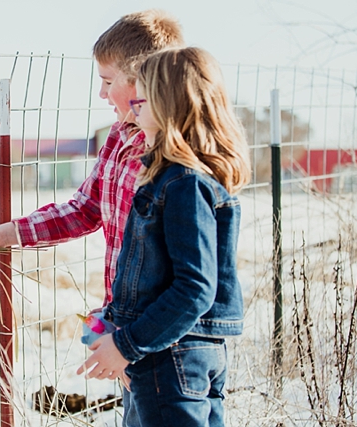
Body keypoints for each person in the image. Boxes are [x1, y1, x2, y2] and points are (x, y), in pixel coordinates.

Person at [0, 10, 183, 426]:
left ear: (142, 81)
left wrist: (135, 341)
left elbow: (187, 277)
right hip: (128, 330)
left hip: (163, 337)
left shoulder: (173, 158)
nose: (101, 94)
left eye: (107, 81)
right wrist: (6, 234)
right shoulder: (116, 139)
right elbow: (84, 209)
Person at [76, 47, 251, 427]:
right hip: (180, 350)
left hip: (172, 358)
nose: (134, 101)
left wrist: (126, 345)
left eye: (145, 93)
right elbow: (159, 276)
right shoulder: (181, 178)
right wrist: (113, 320)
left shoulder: (183, 184)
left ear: (171, 105)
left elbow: (194, 288)